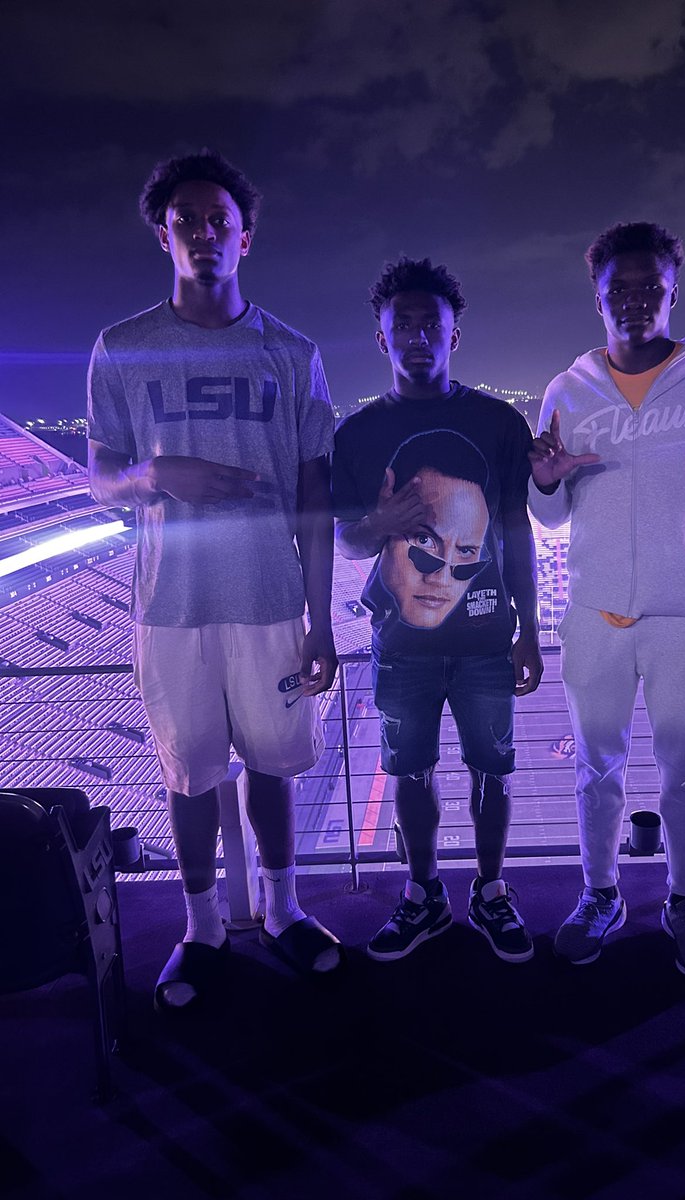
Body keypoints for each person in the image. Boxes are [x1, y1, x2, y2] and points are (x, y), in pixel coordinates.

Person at [87, 150, 342, 1012]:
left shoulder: (292, 352)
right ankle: (200, 928)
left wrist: (323, 619)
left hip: (272, 600)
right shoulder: (121, 348)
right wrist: (157, 473)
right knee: (189, 773)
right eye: (186, 220)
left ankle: (282, 910)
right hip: (172, 606)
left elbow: (316, 496)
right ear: (164, 234)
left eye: (218, 221)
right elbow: (101, 478)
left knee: (273, 767)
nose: (204, 234)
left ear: (247, 235)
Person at [528, 221, 685, 978]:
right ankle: (602, 893)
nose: (633, 300)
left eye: (647, 286)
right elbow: (551, 520)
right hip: (595, 617)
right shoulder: (567, 391)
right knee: (595, 771)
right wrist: (548, 479)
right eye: (617, 289)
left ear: (672, 290)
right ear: (597, 297)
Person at [332, 257, 543, 963]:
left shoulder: (497, 423)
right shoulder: (357, 436)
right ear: (382, 338)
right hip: (401, 646)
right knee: (409, 774)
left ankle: (489, 891)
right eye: (404, 325)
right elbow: (343, 541)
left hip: (487, 640)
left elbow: (516, 532)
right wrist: (380, 523)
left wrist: (531, 631)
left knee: (494, 771)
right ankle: (424, 894)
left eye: (432, 324)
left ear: (456, 335)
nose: (418, 336)